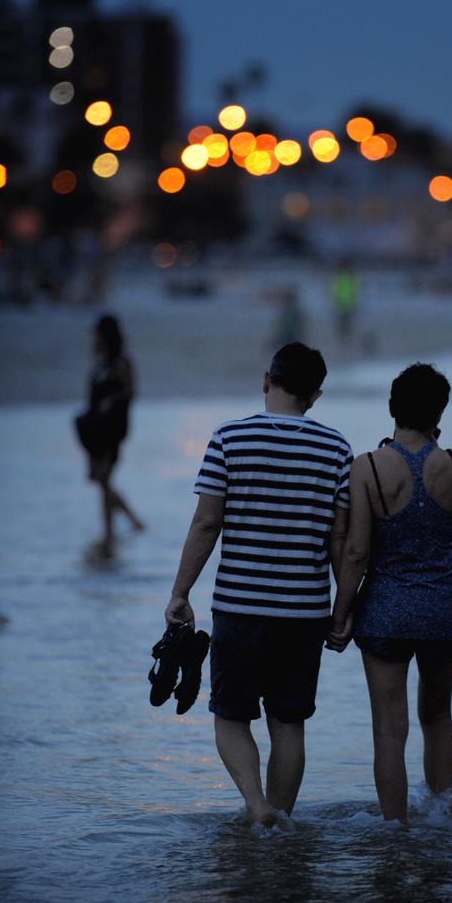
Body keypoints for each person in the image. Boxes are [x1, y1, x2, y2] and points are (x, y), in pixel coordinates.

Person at [164, 342, 353, 825]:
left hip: (241, 608)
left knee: (230, 715)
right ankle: (281, 820)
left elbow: (207, 523)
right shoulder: (336, 449)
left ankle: (255, 805)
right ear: (315, 396)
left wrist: (180, 592)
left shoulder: (229, 438)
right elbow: (341, 540)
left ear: (266, 380)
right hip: (304, 612)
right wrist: (341, 611)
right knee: (288, 723)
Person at [327, 363, 452, 823]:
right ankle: (440, 816)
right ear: (440, 412)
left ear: (392, 407)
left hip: (385, 612)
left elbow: (355, 551)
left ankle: (395, 832)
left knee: (389, 732)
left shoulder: (368, 467)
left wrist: (340, 615)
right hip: (443, 610)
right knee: (438, 716)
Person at [75, 314, 143, 553]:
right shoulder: (100, 362)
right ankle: (123, 526)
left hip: (111, 428)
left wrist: (111, 402)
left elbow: (130, 391)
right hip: (94, 427)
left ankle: (118, 528)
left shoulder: (120, 362)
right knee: (102, 480)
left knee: (103, 479)